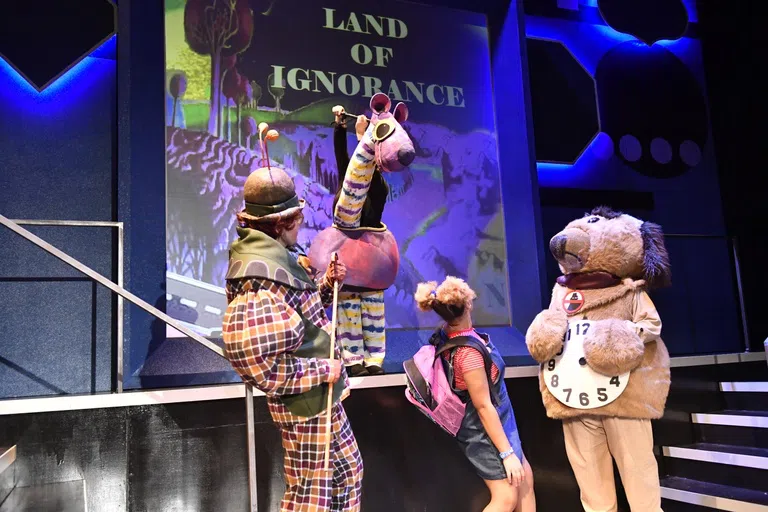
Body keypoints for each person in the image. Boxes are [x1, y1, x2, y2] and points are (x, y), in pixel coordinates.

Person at [222, 161, 363, 512]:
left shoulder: (278, 256)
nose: (301, 226)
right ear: (284, 222)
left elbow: (299, 308)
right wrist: (320, 372)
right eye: (298, 219)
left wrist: (327, 284)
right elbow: (256, 363)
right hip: (305, 401)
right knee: (311, 497)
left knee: (347, 475)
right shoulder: (258, 273)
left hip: (321, 396)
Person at [415, 276, 536, 512]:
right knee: (506, 497)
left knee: (525, 481)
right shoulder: (467, 354)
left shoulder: (448, 333)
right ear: (468, 304)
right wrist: (507, 453)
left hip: (499, 422)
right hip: (484, 430)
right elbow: (483, 407)